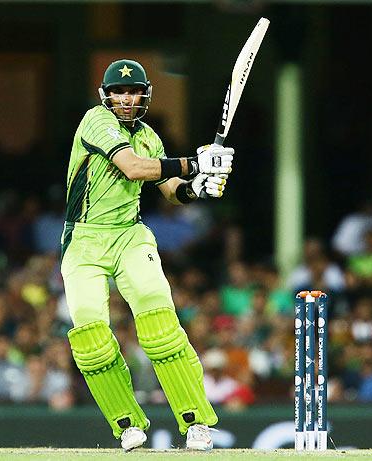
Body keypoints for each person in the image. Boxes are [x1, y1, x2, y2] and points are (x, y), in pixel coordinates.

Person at [61, 59, 234, 451]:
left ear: (144, 95)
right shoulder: (95, 122)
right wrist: (195, 162)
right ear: (106, 95)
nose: (126, 98)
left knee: (160, 324)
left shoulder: (149, 136)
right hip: (84, 242)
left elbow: (170, 188)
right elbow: (135, 169)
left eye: (133, 91)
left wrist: (198, 188)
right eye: (119, 91)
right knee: (90, 337)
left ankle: (196, 423)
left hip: (131, 237)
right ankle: (127, 425)